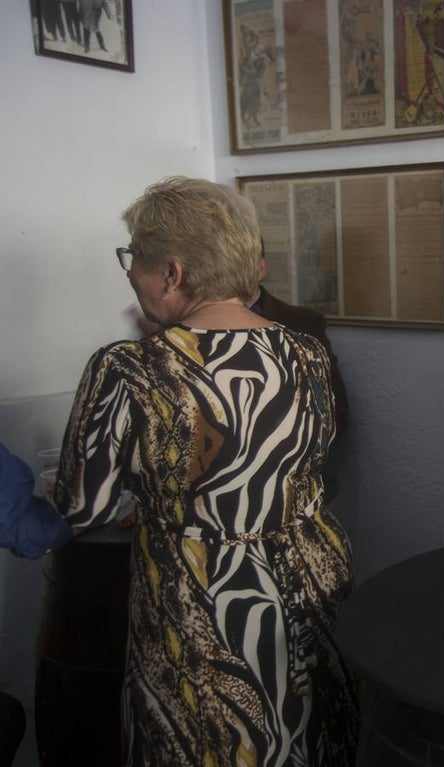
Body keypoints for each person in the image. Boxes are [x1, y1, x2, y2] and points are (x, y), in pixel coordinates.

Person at [0, 178, 359, 765]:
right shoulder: (306, 351)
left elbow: (81, 508)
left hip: (206, 598)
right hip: (312, 582)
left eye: (133, 259)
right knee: (305, 739)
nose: (130, 275)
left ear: (171, 273)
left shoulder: (129, 367)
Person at [248, 253, 351, 500]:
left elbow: (334, 412)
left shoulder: (302, 324)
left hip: (293, 483)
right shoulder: (183, 328)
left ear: (261, 267)